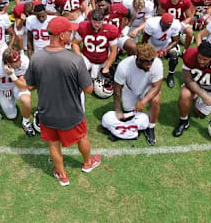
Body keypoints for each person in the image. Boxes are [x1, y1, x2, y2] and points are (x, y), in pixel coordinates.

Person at [24, 16, 100, 186]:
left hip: (47, 113)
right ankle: (87, 163)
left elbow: (29, 86)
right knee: (82, 137)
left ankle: (63, 175)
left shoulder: (36, 57)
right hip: (72, 113)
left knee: (53, 143)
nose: (72, 34)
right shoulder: (75, 59)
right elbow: (89, 89)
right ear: (61, 36)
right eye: (69, 32)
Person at [172, 41, 211, 137]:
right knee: (184, 94)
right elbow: (187, 79)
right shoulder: (190, 55)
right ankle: (183, 121)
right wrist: (202, 95)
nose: (201, 61)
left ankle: (195, 102)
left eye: (205, 59)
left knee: (199, 114)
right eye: (199, 57)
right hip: (194, 84)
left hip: (210, 89)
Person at [110, 43, 163, 146]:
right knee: (129, 116)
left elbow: (156, 86)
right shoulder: (124, 66)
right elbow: (117, 90)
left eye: (152, 60)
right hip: (129, 89)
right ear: (138, 59)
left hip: (147, 89)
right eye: (146, 61)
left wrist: (143, 101)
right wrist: (118, 110)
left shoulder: (157, 63)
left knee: (155, 100)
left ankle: (151, 127)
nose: (150, 64)